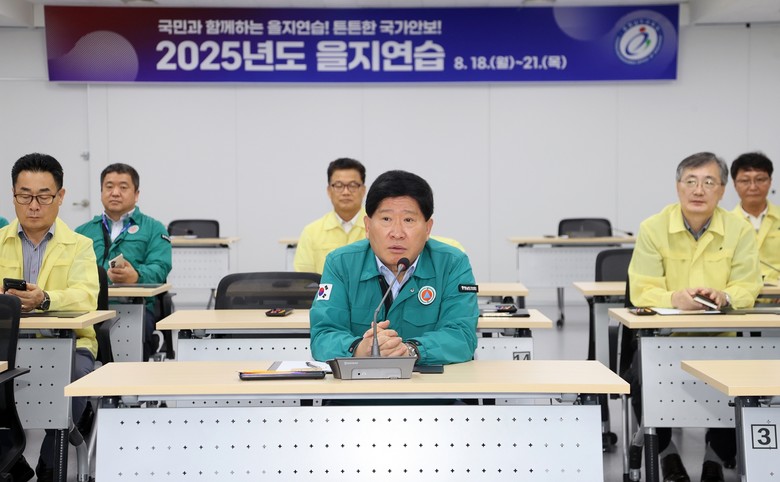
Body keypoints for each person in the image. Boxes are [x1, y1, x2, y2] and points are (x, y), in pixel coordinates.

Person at [628, 152, 762, 482]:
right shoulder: (653, 228)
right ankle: (667, 454)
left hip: (723, 339)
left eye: (708, 182)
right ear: (678, 187)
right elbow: (641, 289)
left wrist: (726, 296)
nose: (698, 190)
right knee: (641, 378)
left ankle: (714, 458)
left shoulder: (739, 230)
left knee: (742, 384)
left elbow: (748, 284)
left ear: (722, 190)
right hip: (665, 341)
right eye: (691, 181)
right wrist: (673, 299)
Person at [309, 170, 479, 365]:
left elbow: (462, 335)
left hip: (429, 383)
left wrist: (410, 351)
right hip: (359, 382)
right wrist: (359, 349)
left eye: (408, 220)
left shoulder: (452, 263)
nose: (397, 233)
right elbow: (323, 335)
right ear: (368, 226)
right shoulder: (340, 264)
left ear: (427, 228)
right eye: (386, 219)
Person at [0, 153, 99, 482]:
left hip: (68, 344)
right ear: (13, 195)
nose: (33, 206)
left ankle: (49, 462)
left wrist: (45, 300)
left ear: (60, 196)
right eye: (24, 196)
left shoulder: (80, 245)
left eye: (43, 197)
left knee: (74, 379)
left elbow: (86, 295)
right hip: (6, 346)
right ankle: (12, 460)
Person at [75, 163, 171, 360]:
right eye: (109, 187)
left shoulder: (154, 228)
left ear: (136, 194)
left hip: (135, 308)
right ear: (101, 192)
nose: (115, 193)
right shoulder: (82, 231)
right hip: (89, 307)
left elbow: (160, 267)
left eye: (123, 187)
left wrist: (136, 276)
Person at [294, 157, 367, 274]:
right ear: (329, 190)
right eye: (338, 185)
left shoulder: (377, 228)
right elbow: (304, 280)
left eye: (353, 185)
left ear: (363, 190)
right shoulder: (311, 232)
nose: (346, 192)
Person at [729, 152, 780, 284]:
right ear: (734, 184)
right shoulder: (725, 223)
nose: (753, 187)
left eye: (760, 179)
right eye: (745, 181)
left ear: (770, 182)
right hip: (739, 292)